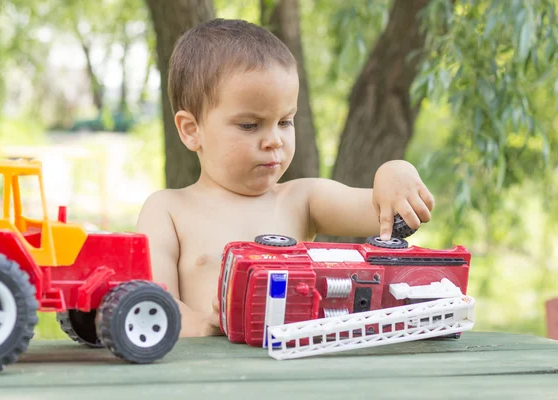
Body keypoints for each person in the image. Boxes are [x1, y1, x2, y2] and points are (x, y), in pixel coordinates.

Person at [136, 18, 434, 337]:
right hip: (210, 377)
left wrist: (394, 173)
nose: (274, 140)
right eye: (250, 125)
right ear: (192, 130)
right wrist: (205, 325)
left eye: (285, 121)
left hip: (292, 374)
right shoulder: (168, 210)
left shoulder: (302, 200)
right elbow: (153, 303)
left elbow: (381, 211)